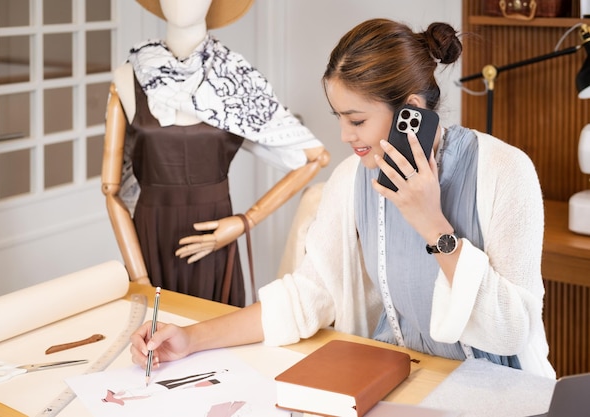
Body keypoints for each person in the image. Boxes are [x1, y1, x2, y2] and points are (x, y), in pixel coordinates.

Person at [128, 18, 556, 379]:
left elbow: (512, 331)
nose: (345, 136)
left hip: (495, 389)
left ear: (411, 111)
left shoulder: (504, 171)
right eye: (340, 118)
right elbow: (309, 293)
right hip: (397, 379)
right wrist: (190, 339)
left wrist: (433, 224)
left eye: (357, 120)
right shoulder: (353, 177)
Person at [101, 0, 329, 307]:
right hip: (149, 236)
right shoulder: (130, 75)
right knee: (154, 340)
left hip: (214, 235)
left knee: (216, 340)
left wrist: (245, 221)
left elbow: (315, 156)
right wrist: (140, 277)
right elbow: (111, 190)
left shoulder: (234, 80)